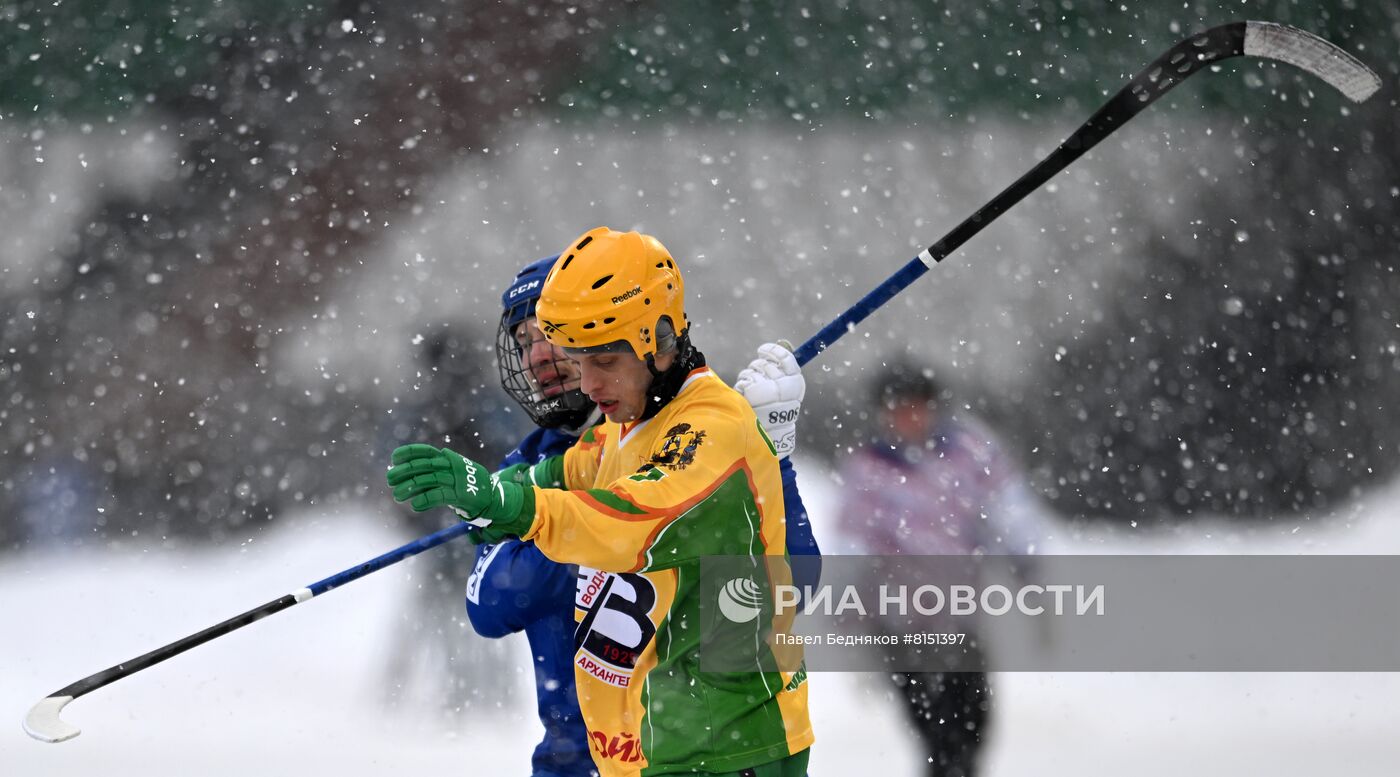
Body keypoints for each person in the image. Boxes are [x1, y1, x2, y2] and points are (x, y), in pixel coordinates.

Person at [407, 230, 817, 777]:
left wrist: (774, 462)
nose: (545, 360)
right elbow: (495, 602)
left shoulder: (701, 428)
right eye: (528, 342)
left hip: (710, 749)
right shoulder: (603, 438)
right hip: (598, 754)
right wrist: (507, 498)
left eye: (565, 344)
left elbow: (789, 581)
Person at [837, 360, 1046, 777]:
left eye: (916, 407)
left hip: (960, 617)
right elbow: (851, 547)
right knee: (932, 731)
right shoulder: (869, 470)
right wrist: (851, 628)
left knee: (972, 726)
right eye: (897, 409)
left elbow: (1007, 514)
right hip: (897, 623)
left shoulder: (966, 454)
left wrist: (1029, 571)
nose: (908, 418)